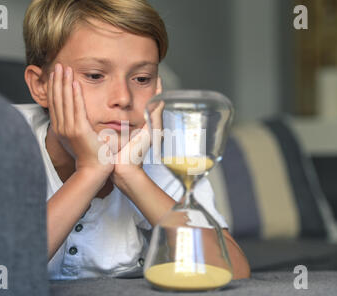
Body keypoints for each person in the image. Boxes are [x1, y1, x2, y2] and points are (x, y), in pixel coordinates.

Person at [14, 0, 250, 280]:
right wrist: (90, 172)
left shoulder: (167, 139)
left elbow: (232, 271)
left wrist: (131, 175)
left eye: (141, 78)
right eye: (94, 75)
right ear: (41, 86)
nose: (124, 98)